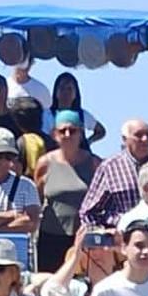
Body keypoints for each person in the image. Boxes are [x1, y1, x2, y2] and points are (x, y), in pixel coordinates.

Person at [33, 110, 100, 271]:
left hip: (83, 237)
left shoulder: (94, 163)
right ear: (55, 134)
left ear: (81, 133)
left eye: (73, 130)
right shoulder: (44, 163)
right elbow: (38, 198)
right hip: (51, 236)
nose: (68, 134)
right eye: (63, 131)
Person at [78, 117, 148, 230]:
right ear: (125, 139)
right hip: (120, 237)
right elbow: (88, 212)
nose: (145, 139)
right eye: (138, 135)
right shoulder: (109, 167)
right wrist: (104, 235)